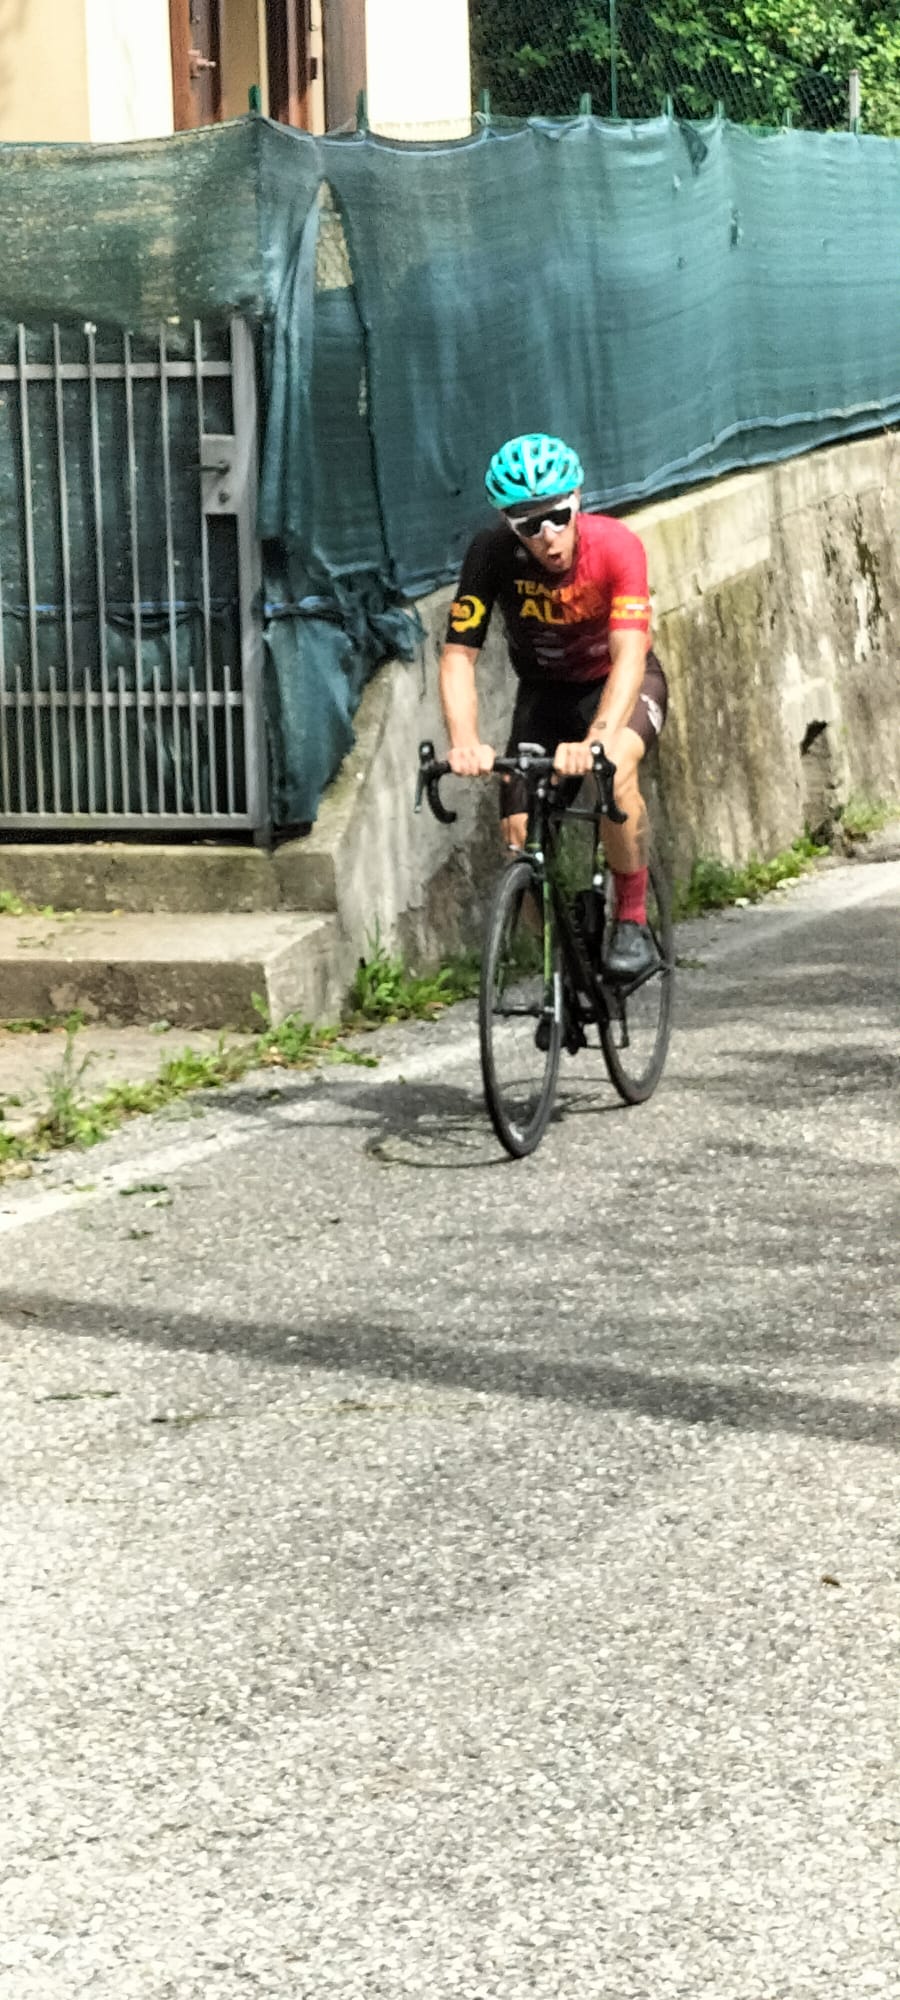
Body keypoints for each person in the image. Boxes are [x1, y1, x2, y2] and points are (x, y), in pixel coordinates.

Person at [438, 432, 667, 980]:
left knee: (615, 768)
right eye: (528, 524)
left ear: (578, 499)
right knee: (518, 833)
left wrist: (597, 739)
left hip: (617, 683)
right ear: (507, 523)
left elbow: (629, 655)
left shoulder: (617, 547)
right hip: (544, 692)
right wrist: (464, 742)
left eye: (559, 517)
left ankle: (632, 920)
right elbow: (458, 658)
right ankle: (563, 969)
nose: (548, 536)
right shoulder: (490, 554)